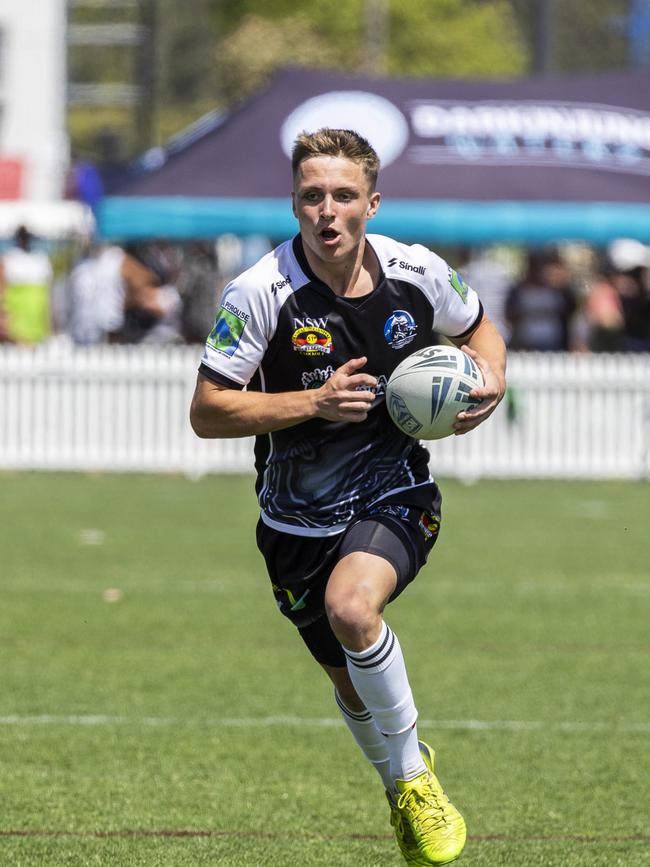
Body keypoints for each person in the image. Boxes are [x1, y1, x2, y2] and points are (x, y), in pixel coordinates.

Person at [190, 128, 506, 866]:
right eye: (311, 196)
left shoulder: (416, 270)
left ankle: (414, 777)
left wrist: (490, 385)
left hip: (396, 490)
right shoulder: (260, 292)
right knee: (352, 682)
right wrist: (312, 403)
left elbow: (482, 333)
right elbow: (208, 410)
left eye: (342, 195)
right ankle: (399, 776)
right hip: (292, 523)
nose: (326, 212)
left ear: (372, 202)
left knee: (354, 607)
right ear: (295, 203)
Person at [505, 249, 578, 351]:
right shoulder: (518, 290)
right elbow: (509, 314)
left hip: (553, 342)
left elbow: (571, 311)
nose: (535, 269)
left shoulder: (556, 289)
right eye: (532, 265)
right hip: (526, 342)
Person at [0, 225, 53, 344]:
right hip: (16, 322)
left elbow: (48, 295)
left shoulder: (40, 259)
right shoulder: (10, 258)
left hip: (36, 319)